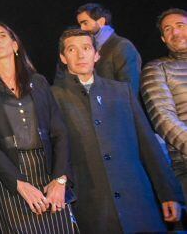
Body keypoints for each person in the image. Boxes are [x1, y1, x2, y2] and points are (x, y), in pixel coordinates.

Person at [52, 28, 181, 233]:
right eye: (71, 49)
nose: (80, 54)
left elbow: (148, 145)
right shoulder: (53, 98)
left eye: (86, 48)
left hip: (138, 199)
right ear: (63, 57)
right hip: (93, 204)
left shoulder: (121, 91)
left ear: (96, 54)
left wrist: (168, 194)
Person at [0, 22, 74, 233]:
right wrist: (19, 183)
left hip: (48, 173)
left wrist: (60, 180)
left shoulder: (39, 82)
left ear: (15, 45)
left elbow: (60, 133)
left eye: (2, 35)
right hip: (9, 178)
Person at [141, 8, 187, 196]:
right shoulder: (156, 69)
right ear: (163, 39)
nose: (175, 32)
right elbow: (164, 120)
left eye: (180, 25)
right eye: (167, 29)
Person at [75, 3, 142, 94]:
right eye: (80, 24)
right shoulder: (91, 49)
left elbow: (130, 90)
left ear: (101, 21)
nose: (82, 28)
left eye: (85, 23)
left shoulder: (122, 46)